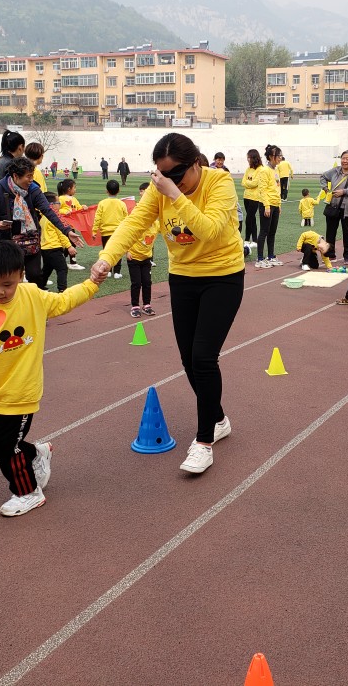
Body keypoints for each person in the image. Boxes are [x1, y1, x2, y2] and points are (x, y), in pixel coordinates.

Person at [91, 132, 245, 475]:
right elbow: (134, 224)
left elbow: (209, 230)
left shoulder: (219, 183)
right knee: (188, 359)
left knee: (203, 357)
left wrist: (174, 193)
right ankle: (218, 419)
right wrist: (107, 258)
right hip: (183, 277)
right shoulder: (159, 190)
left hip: (223, 276)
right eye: (164, 174)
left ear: (196, 163)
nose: (171, 180)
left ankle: (204, 442)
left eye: (177, 173)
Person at [0, 240, 101, 517]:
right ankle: (36, 454)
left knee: (6, 448)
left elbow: (63, 302)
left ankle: (28, 492)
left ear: (21, 275)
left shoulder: (32, 295)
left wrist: (91, 284)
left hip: (21, 392)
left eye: (7, 284)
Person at [0, 156, 84, 285]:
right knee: (9, 278)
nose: (31, 180)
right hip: (7, 242)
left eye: (32, 175)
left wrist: (67, 231)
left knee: (35, 275)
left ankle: (34, 295)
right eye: (28, 176)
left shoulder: (34, 190)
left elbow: (49, 210)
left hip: (31, 240)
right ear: (15, 176)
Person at [319, 150, 348, 265]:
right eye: (343, 158)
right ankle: (330, 254)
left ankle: (347, 256)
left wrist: (344, 192)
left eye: (347, 159)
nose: (345, 161)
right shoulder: (335, 171)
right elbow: (322, 177)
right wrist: (326, 189)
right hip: (333, 206)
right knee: (330, 232)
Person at [125, 181, 159, 317]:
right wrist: (127, 251)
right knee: (136, 283)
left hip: (146, 258)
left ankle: (147, 305)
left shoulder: (156, 225)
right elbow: (127, 235)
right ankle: (135, 306)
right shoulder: (138, 223)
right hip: (133, 257)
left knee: (147, 282)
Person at [39, 192, 76, 293]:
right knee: (62, 268)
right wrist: (69, 246)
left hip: (45, 248)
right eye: (58, 203)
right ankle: (62, 289)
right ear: (52, 205)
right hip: (54, 248)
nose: (60, 205)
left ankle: (40, 286)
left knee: (47, 268)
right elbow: (61, 234)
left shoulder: (43, 218)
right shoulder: (54, 219)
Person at [93, 179, 128, 279]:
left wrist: (94, 230)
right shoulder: (122, 204)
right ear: (119, 190)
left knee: (107, 251)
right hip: (118, 232)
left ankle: (107, 271)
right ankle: (117, 272)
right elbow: (126, 218)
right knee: (118, 252)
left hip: (105, 233)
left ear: (106, 191)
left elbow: (97, 218)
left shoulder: (102, 203)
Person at [259, 145, 283, 266]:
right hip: (266, 205)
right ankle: (259, 259)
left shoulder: (276, 170)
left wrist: (279, 204)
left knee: (272, 232)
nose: (280, 158)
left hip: (275, 204)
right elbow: (262, 189)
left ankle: (271, 256)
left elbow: (277, 188)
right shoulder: (264, 170)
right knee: (264, 231)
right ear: (270, 157)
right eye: (278, 155)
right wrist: (267, 206)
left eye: (281, 155)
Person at [241, 149, 263, 253]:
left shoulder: (260, 169)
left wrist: (247, 183)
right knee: (252, 218)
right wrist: (248, 183)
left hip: (255, 197)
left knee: (249, 218)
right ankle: (254, 240)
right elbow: (243, 182)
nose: (248, 159)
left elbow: (255, 183)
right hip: (246, 196)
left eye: (249, 157)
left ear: (253, 158)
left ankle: (246, 239)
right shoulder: (248, 169)